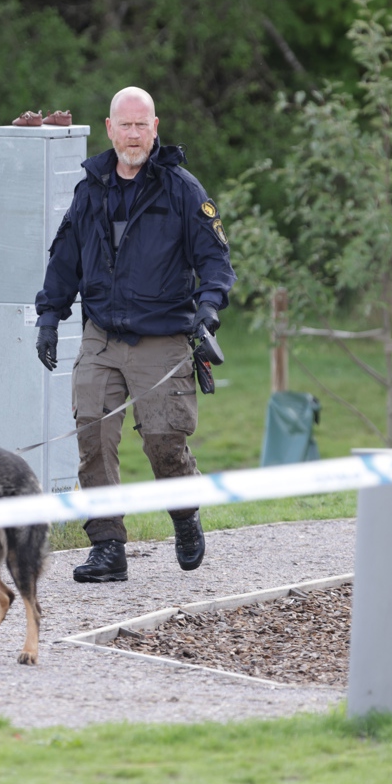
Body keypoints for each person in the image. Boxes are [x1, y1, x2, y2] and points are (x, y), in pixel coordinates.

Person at [33, 86, 236, 583]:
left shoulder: (182, 189)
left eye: (141, 124)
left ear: (155, 127)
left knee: (164, 443)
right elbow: (64, 260)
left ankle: (185, 515)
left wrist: (209, 307)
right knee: (93, 439)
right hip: (101, 337)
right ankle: (107, 548)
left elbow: (215, 260)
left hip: (163, 336)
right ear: (109, 129)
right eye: (124, 125)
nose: (133, 134)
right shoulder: (90, 189)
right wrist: (48, 317)